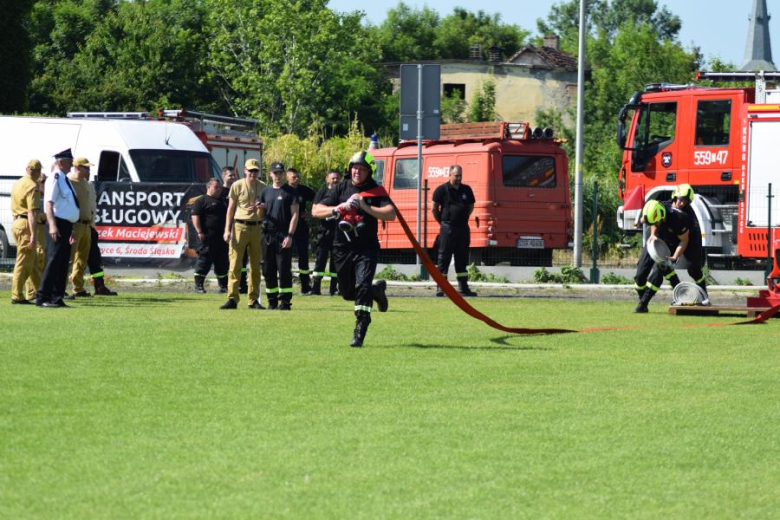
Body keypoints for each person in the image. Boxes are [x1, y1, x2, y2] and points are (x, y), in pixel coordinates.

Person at [312, 151, 395, 347]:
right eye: (354, 168)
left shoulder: (376, 190)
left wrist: (365, 207)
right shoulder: (341, 187)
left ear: (369, 171)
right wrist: (337, 209)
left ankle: (361, 327)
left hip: (366, 247)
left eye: (362, 169)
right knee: (347, 292)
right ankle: (376, 291)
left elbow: (390, 214)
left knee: (362, 287)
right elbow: (316, 210)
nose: (357, 172)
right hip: (342, 247)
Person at [35, 148, 80, 308]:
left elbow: (67, 206)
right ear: (61, 162)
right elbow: (49, 203)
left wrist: (72, 226)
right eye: (69, 162)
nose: (71, 165)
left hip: (65, 224)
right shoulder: (55, 178)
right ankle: (42, 296)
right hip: (57, 223)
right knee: (53, 260)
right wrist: (53, 225)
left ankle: (56, 296)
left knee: (62, 262)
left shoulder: (64, 179)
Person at [220, 159, 265, 310]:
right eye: (250, 170)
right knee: (235, 264)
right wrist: (227, 230)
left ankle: (253, 299)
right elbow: (230, 209)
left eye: (255, 171)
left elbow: (265, 211)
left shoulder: (263, 187)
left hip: (257, 227)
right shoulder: (237, 185)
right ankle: (232, 298)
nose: (253, 173)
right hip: (239, 226)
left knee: (255, 266)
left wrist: (259, 208)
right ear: (245, 170)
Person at [633, 199, 692, 313]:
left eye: (656, 222)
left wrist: (675, 256)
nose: (655, 224)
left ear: (663, 216)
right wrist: (653, 234)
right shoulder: (656, 209)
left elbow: (684, 241)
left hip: (671, 245)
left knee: (658, 272)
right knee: (640, 275)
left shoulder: (679, 219)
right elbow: (653, 222)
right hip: (655, 241)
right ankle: (643, 300)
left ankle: (643, 303)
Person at [432, 164, 477, 297]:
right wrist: (443, 222)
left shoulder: (466, 190)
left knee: (462, 257)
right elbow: (434, 209)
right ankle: (441, 287)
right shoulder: (441, 190)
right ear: (450, 174)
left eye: (460, 176)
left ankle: (463, 288)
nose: (459, 178)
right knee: (444, 257)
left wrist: (463, 217)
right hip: (448, 227)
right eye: (456, 176)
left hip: (462, 227)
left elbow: (470, 206)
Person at [260, 162, 300, 310]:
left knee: (283, 269)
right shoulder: (265, 192)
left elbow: (295, 215)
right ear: (270, 174)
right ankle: (272, 301)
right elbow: (261, 213)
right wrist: (257, 209)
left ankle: (285, 302)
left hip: (283, 233)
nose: (278, 175)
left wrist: (289, 235)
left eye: (280, 173)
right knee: (268, 269)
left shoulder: (290, 192)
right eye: (275, 173)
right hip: (267, 234)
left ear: (284, 174)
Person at [10, 160, 43, 304]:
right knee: (24, 261)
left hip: (17, 222)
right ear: (38, 171)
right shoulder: (32, 186)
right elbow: (32, 212)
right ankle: (17, 295)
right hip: (25, 224)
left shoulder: (18, 183)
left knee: (32, 261)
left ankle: (38, 291)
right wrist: (34, 236)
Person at [191, 179, 228, 293]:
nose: (219, 189)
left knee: (222, 262)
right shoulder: (201, 201)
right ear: (209, 187)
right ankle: (199, 286)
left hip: (221, 238)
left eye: (220, 187)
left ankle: (223, 287)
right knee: (204, 261)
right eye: (216, 187)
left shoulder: (223, 201)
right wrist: (199, 232)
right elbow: (195, 216)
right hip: (207, 238)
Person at [84, 175, 118, 296]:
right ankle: (70, 288)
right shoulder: (74, 183)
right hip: (79, 226)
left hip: (90, 226)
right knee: (75, 260)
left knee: (95, 258)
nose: (88, 171)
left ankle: (99, 285)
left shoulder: (89, 184)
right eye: (85, 168)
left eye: (88, 169)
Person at [64, 157, 94, 299]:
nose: (89, 170)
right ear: (78, 168)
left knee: (82, 259)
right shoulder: (68, 182)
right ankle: (61, 288)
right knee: (69, 258)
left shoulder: (86, 183)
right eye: (86, 168)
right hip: (75, 225)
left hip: (86, 225)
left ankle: (78, 287)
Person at [286, 167, 316, 294]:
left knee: (303, 256)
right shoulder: (283, 190)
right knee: (285, 257)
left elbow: (319, 199)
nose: (297, 179)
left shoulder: (304, 190)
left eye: (298, 177)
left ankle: (305, 286)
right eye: (294, 177)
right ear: (287, 178)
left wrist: (310, 213)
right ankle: (286, 285)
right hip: (285, 228)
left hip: (301, 228)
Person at [311, 171, 341, 296]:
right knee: (320, 259)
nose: (335, 180)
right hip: (324, 230)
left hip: (338, 230)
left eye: (337, 178)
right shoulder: (322, 192)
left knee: (336, 259)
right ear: (327, 179)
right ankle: (316, 288)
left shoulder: (341, 192)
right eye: (333, 178)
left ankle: (334, 288)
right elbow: (314, 210)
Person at [221, 166, 248, 293]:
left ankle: (242, 284)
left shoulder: (238, 189)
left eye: (234, 175)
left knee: (241, 258)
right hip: (223, 229)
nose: (232, 178)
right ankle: (227, 285)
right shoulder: (219, 191)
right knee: (227, 259)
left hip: (239, 228)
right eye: (230, 175)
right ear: (223, 177)